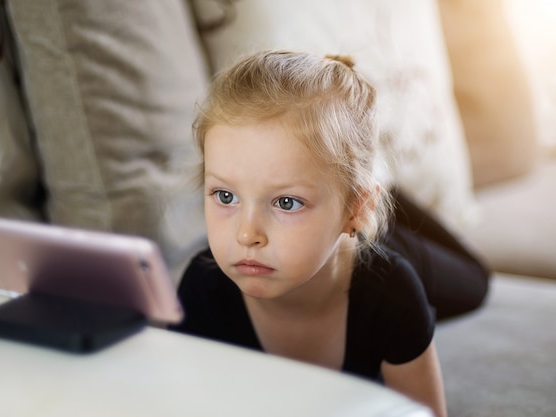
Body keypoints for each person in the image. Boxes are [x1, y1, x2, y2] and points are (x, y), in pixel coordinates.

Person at [170, 50, 489, 417]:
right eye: (226, 196)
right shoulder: (202, 286)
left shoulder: (393, 292)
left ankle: (380, 193)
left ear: (356, 208)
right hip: (341, 225)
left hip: (371, 241)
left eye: (286, 202)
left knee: (477, 283)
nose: (247, 235)